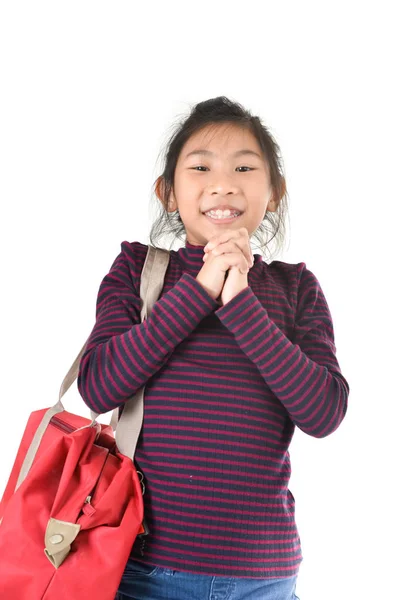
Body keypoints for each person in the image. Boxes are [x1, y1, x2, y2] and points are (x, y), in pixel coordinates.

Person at [77, 96, 350, 600]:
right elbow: (97, 387)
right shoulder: (137, 271)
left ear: (274, 192)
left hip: (263, 577)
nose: (222, 183)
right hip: (141, 569)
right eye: (200, 166)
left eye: (244, 167)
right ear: (169, 193)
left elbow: (324, 414)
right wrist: (200, 290)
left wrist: (240, 301)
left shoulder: (296, 288)